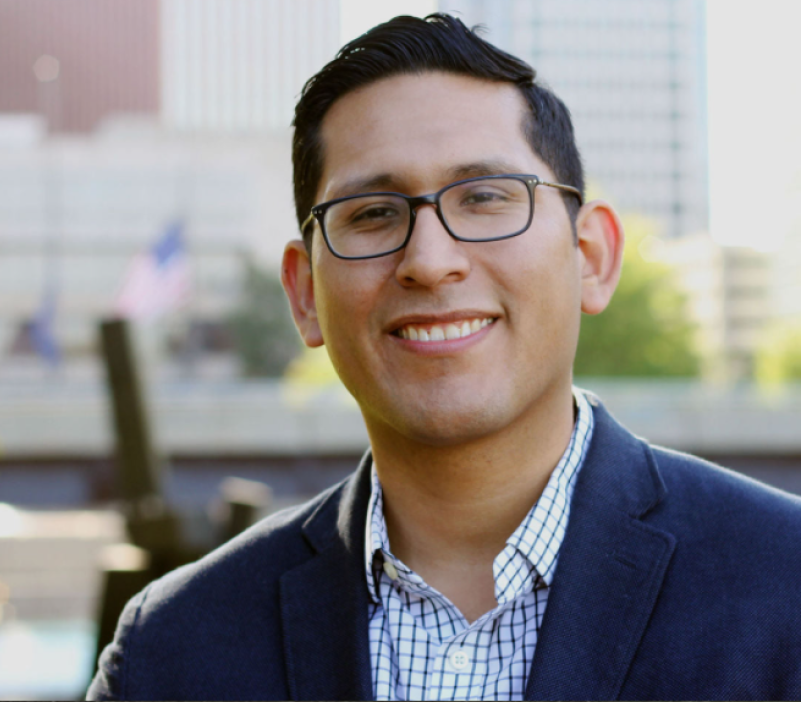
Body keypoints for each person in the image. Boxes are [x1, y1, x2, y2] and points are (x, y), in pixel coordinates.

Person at [88, 14, 801, 701]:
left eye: (486, 197)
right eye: (372, 212)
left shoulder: (785, 584)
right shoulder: (173, 649)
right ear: (305, 294)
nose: (429, 262)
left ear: (591, 257)